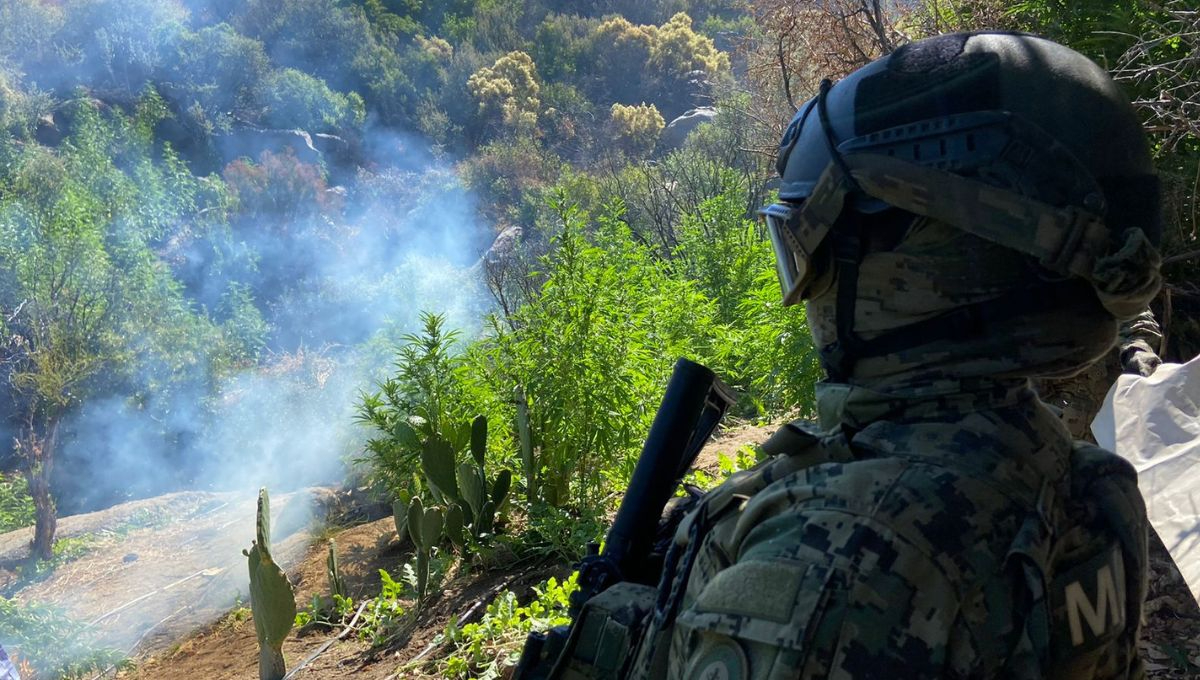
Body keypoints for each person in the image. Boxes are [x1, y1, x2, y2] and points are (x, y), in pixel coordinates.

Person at [623, 32, 1162, 679]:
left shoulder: (838, 562)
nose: (804, 293)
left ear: (912, 258)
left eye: (804, 249)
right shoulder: (1080, 483)